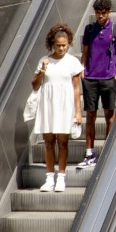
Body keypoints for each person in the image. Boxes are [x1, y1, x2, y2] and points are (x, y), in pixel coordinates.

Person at [77, 0, 116, 171]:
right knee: (90, 116)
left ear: (109, 12)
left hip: (108, 78)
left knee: (109, 115)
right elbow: (85, 51)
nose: (100, 16)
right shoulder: (89, 29)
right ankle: (89, 154)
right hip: (90, 78)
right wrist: (83, 70)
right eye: (98, 13)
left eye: (103, 13)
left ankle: (108, 153)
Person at [32, 23, 83, 192]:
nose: (61, 48)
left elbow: (76, 88)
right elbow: (35, 85)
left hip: (65, 105)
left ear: (68, 44)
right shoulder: (44, 61)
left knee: (63, 142)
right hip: (48, 105)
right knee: (48, 142)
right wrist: (42, 70)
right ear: (52, 44)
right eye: (58, 45)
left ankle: (61, 177)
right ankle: (49, 178)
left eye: (64, 45)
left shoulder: (73, 62)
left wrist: (78, 112)